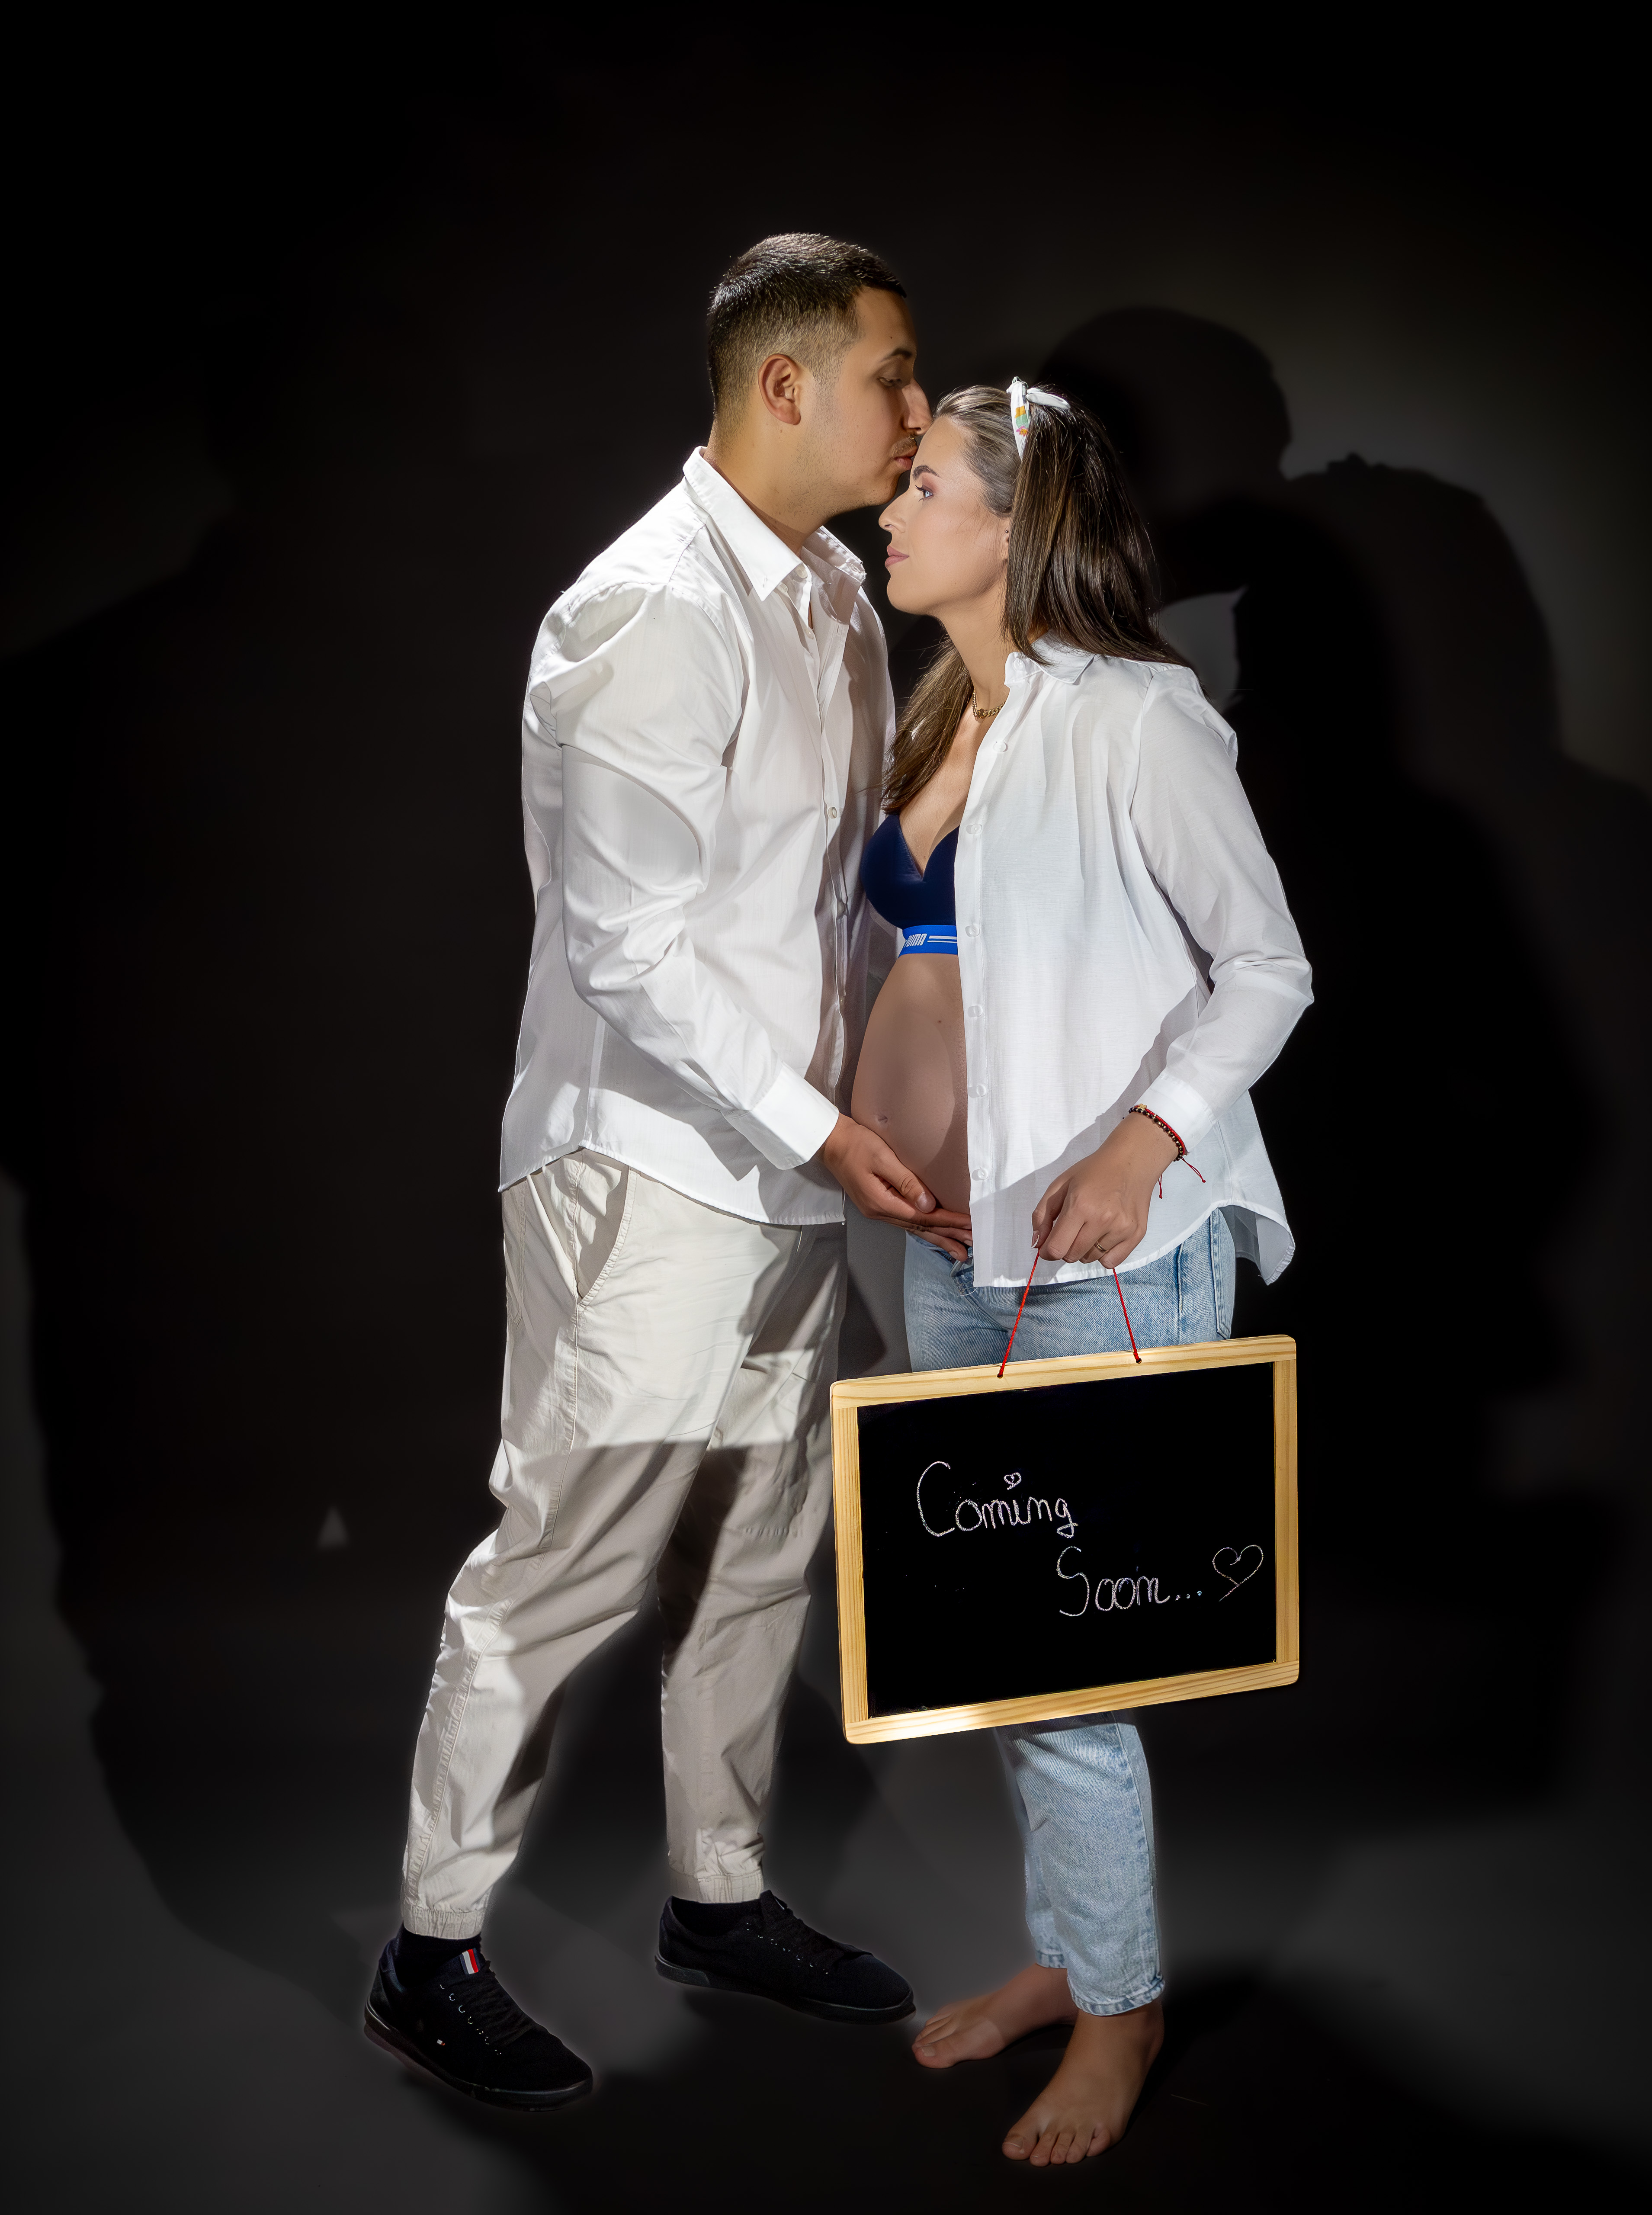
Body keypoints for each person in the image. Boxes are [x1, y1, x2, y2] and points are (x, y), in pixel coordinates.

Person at [364, 234, 971, 2109]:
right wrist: (826, 1126)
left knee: (763, 1551)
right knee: (566, 1560)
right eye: (892, 373)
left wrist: (894, 1096)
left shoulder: (841, 597)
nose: (919, 409)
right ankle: (429, 1948)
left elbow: (827, 901)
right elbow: (626, 949)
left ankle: (720, 1896)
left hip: (793, 1167)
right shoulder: (642, 607)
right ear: (785, 384)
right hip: (640, 1170)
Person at [852, 380, 1311, 2162]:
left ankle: (1120, 2007)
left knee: (1063, 1668)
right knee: (1003, 1639)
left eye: (923, 488)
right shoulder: (940, 708)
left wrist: (1142, 1145)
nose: (890, 512)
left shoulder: (1137, 717)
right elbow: (919, 951)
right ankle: (1071, 1956)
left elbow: (1264, 966)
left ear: (1017, 523)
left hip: (1101, 1247)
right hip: (950, 1243)